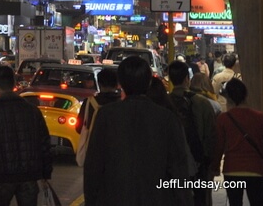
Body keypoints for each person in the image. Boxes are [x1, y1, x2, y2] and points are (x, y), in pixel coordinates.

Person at [84, 56, 193, 206]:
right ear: (149, 82)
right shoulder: (166, 118)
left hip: (114, 198)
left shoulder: (106, 116)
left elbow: (93, 166)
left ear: (120, 83)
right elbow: (178, 168)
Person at [0, 65, 52, 206]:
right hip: (29, 176)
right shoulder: (32, 111)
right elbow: (44, 143)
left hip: (1, 177)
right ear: (14, 84)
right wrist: (45, 173)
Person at [210, 78, 263, 206]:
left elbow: (219, 146)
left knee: (235, 203)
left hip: (232, 170)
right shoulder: (260, 118)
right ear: (246, 94)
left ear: (228, 97)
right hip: (256, 169)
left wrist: (215, 167)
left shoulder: (223, 119)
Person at [168, 60, 216, 206]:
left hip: (170, 165)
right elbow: (211, 136)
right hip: (198, 163)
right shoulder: (203, 103)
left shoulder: (163, 103)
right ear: (186, 79)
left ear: (169, 79)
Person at [75, 68, 121, 135]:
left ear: (99, 84)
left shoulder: (89, 102)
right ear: (117, 85)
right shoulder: (122, 104)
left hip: (93, 144)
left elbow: (79, 128)